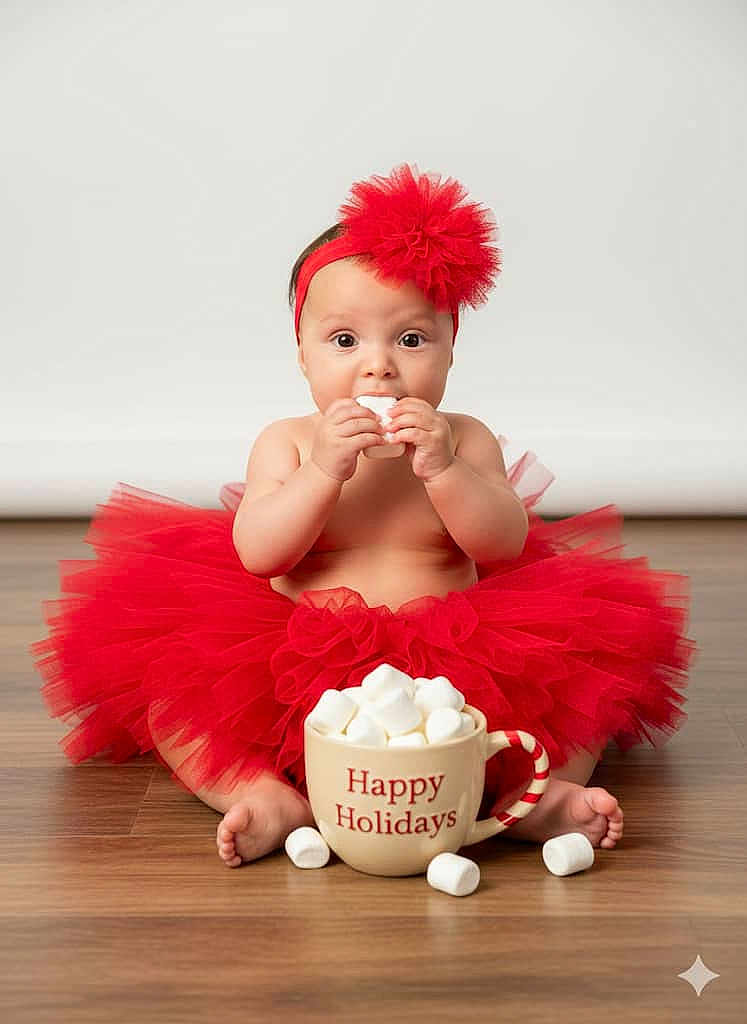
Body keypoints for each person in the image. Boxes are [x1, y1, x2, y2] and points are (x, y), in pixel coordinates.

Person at [30, 163, 696, 868]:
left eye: (410, 340)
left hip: (460, 658)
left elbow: (503, 545)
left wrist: (443, 470)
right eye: (344, 341)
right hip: (291, 655)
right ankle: (257, 794)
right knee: (168, 685)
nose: (377, 368)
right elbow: (260, 554)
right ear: (302, 357)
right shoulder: (286, 440)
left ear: (449, 350)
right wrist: (321, 472)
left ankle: (540, 795)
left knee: (587, 668)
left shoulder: (463, 438)